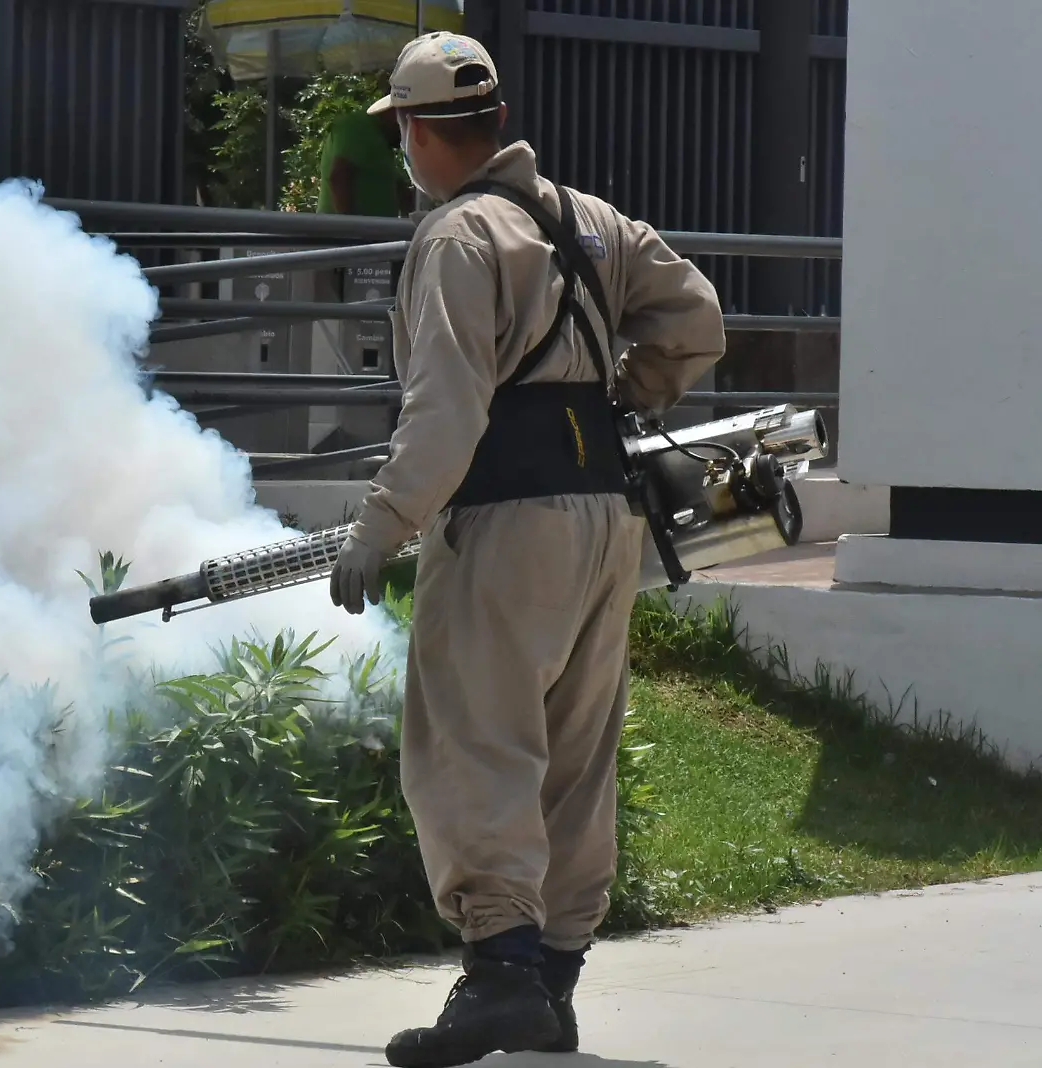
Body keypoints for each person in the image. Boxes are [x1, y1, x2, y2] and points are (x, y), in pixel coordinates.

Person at [325, 31, 726, 1068]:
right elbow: (695, 320)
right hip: (604, 515)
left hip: (503, 516)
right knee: (573, 755)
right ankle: (551, 980)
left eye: (400, 130)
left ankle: (500, 975)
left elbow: (444, 415)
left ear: (417, 131)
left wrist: (381, 529)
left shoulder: (457, 238)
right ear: (492, 121)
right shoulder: (587, 219)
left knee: (472, 744)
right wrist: (627, 393)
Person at [316, 106, 417, 217]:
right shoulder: (357, 127)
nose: (406, 131)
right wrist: (350, 227)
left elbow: (391, 184)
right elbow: (339, 177)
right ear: (393, 111)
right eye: (405, 122)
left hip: (373, 230)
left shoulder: (380, 137)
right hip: (347, 231)